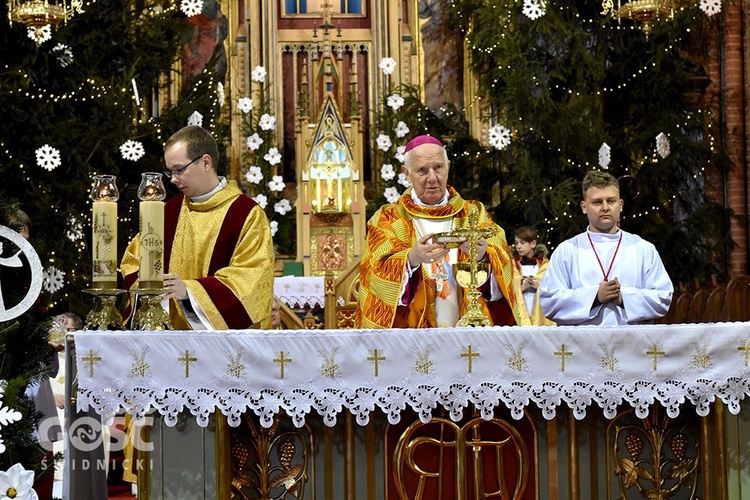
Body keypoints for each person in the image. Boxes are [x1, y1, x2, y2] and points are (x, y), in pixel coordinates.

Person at [356, 135, 525, 329]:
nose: (432, 178)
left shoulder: (474, 213)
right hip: (411, 336)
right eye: (422, 170)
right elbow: (373, 275)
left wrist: (484, 257)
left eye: (438, 167)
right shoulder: (389, 218)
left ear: (448, 167)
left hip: (468, 336)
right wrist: (410, 260)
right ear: (406, 174)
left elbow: (505, 269)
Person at [121, 125, 275, 330]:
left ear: (205, 162)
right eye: (170, 172)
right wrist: (147, 284)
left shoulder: (246, 214)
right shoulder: (168, 211)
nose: (173, 179)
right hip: (168, 342)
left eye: (179, 170)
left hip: (225, 350)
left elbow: (252, 282)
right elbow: (132, 262)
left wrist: (189, 292)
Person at [538, 170, 673, 325]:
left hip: (631, 344)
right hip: (584, 345)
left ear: (620, 205)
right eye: (597, 202)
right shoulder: (567, 250)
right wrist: (595, 296)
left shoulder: (642, 249)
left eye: (611, 201)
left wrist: (623, 297)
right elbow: (549, 301)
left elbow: (663, 297)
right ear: (584, 207)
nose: (605, 207)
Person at [512, 226, 555, 326]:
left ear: (533, 244)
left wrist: (539, 287)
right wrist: (520, 289)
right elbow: (507, 289)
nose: (518, 246)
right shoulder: (512, 266)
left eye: (522, 243)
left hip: (539, 311)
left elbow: (553, 287)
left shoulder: (545, 265)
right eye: (516, 243)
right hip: (521, 309)